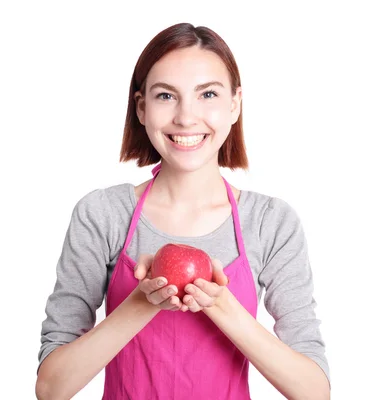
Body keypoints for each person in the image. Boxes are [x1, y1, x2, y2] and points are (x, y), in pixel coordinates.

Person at [36, 22, 331, 400]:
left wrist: (223, 307)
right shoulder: (102, 214)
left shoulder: (271, 222)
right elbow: (51, 387)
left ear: (235, 104)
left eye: (208, 93)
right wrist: (141, 303)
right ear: (141, 108)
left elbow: (313, 391)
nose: (186, 117)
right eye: (165, 96)